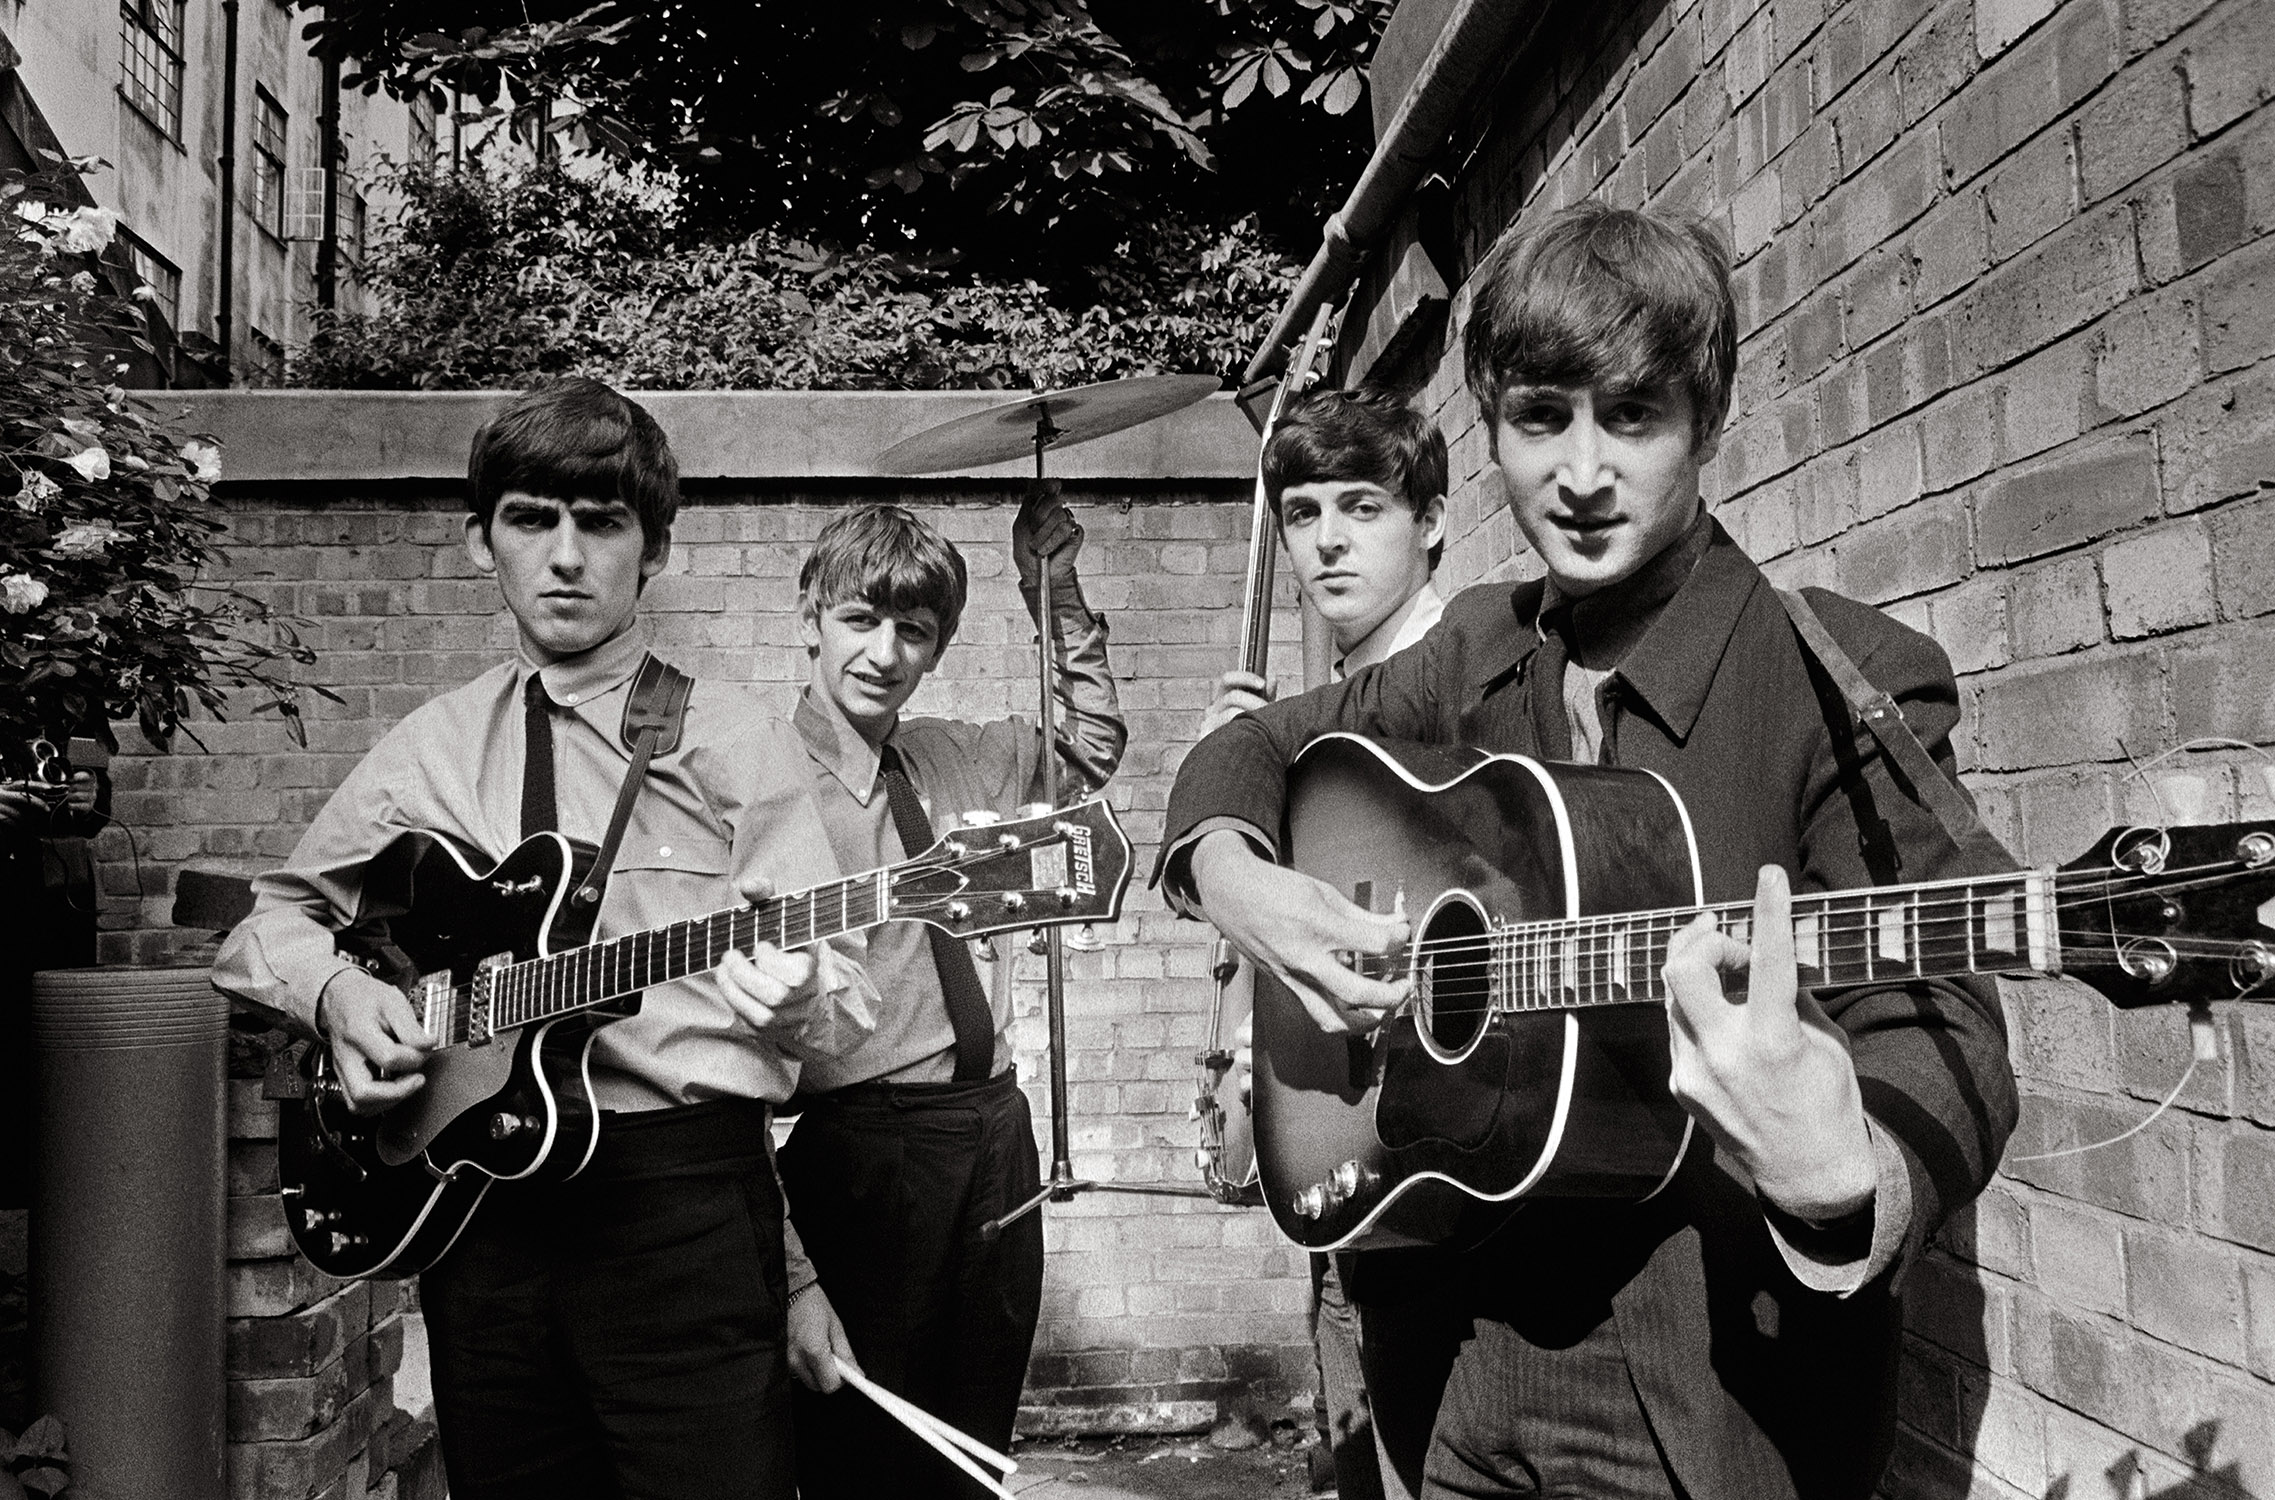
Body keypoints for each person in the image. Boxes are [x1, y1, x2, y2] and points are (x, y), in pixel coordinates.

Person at [1159, 203, 2019, 1500]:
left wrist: (1848, 1175)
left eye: (1630, 416)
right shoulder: (1472, 654)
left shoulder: (1841, 678)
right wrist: (1238, 884)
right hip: (1447, 1369)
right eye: (1539, 417)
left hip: (1714, 1393)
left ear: (1706, 422)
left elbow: (1942, 1009)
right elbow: (1256, 749)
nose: (1580, 471)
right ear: (1491, 427)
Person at [216, 379, 874, 1500]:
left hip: (682, 1211)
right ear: (483, 541)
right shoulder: (428, 747)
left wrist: (801, 991)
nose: (566, 557)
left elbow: (845, 997)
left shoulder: (735, 740)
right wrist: (336, 997)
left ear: (654, 549)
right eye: (531, 519)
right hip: (482, 1215)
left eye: (602, 523)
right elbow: (268, 922)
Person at [777, 494, 1125, 1498]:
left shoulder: (956, 755)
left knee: (972, 1444)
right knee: (863, 1458)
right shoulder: (754, 786)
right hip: (863, 1154)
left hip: (994, 1136)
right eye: (859, 619)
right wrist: (794, 1277)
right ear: (810, 616)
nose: (884, 653)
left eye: (914, 630)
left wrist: (1053, 586)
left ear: (939, 645)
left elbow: (1089, 748)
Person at [1199, 386, 1446, 1500]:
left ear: (1429, 520)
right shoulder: (1319, 711)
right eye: (1302, 514)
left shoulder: (1465, 687)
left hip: (1438, 1183)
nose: (1327, 541)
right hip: (1349, 1161)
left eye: (1362, 506)